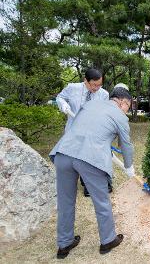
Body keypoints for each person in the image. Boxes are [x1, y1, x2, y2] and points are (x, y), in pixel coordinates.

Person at [49, 87, 135, 258]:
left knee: (65, 201)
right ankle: (108, 240)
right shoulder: (120, 117)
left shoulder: (90, 104)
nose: (128, 110)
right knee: (101, 201)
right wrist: (129, 166)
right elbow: (126, 145)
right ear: (123, 102)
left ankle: (64, 244)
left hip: (64, 152)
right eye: (129, 106)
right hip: (89, 158)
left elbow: (84, 127)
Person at [56, 68, 111, 196]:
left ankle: (88, 185)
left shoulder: (104, 94)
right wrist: (63, 105)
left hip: (92, 131)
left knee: (89, 157)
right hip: (73, 130)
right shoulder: (72, 88)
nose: (97, 88)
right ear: (85, 80)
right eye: (94, 85)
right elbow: (60, 98)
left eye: (99, 85)